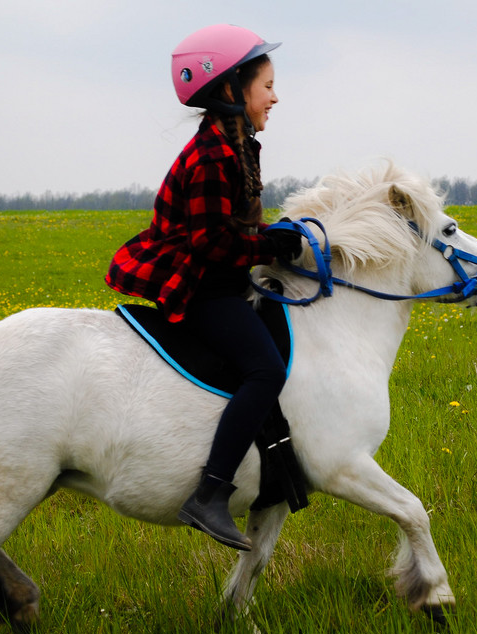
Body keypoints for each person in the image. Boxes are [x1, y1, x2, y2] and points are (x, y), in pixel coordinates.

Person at [105, 25, 303, 551]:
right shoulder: (213, 156)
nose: (275, 96)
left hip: (220, 278)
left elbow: (235, 228)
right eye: (267, 85)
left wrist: (274, 234)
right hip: (200, 288)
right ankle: (210, 494)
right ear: (234, 90)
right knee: (265, 370)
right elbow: (213, 244)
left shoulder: (237, 145)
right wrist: (269, 249)